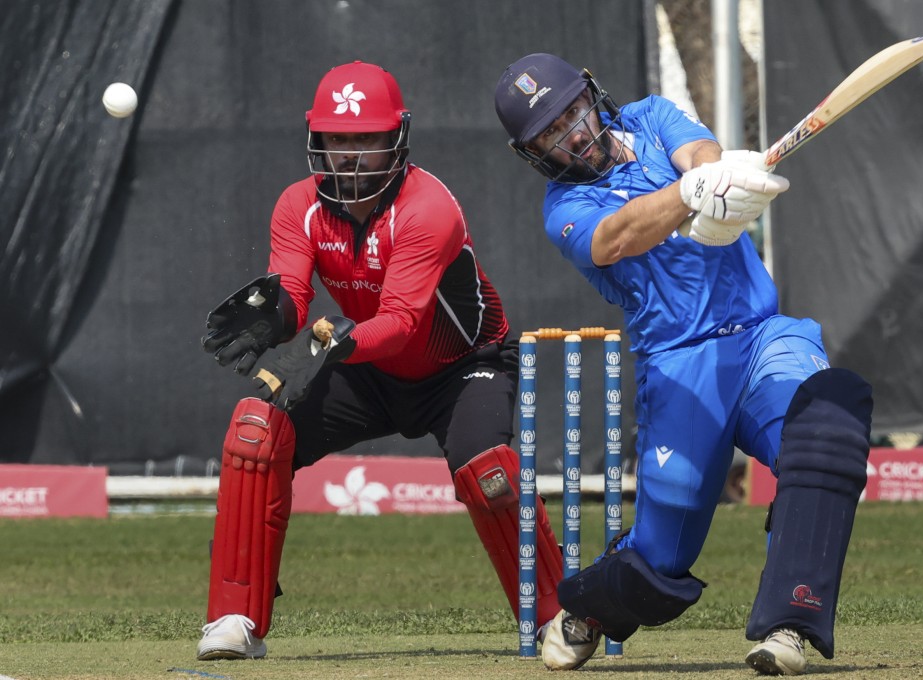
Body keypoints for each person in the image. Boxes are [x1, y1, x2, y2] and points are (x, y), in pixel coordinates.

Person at [494, 53, 873, 675]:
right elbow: (617, 235)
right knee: (659, 563)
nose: (573, 134)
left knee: (825, 434)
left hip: (760, 338)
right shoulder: (562, 209)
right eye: (551, 134)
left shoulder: (649, 116)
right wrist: (690, 196)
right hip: (680, 367)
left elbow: (698, 152)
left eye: (573, 114)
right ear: (533, 152)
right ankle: (589, 607)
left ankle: (788, 623)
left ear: (592, 96)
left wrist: (721, 180)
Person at [195, 61, 565, 660]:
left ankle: (555, 619)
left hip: (463, 365)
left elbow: (400, 324)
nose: (350, 156)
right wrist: (275, 317)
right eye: (338, 141)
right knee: (256, 432)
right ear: (318, 140)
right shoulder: (298, 205)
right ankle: (234, 618)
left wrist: (333, 344)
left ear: (397, 137)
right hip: (371, 367)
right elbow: (293, 291)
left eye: (365, 139)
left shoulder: (428, 208)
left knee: (488, 469)